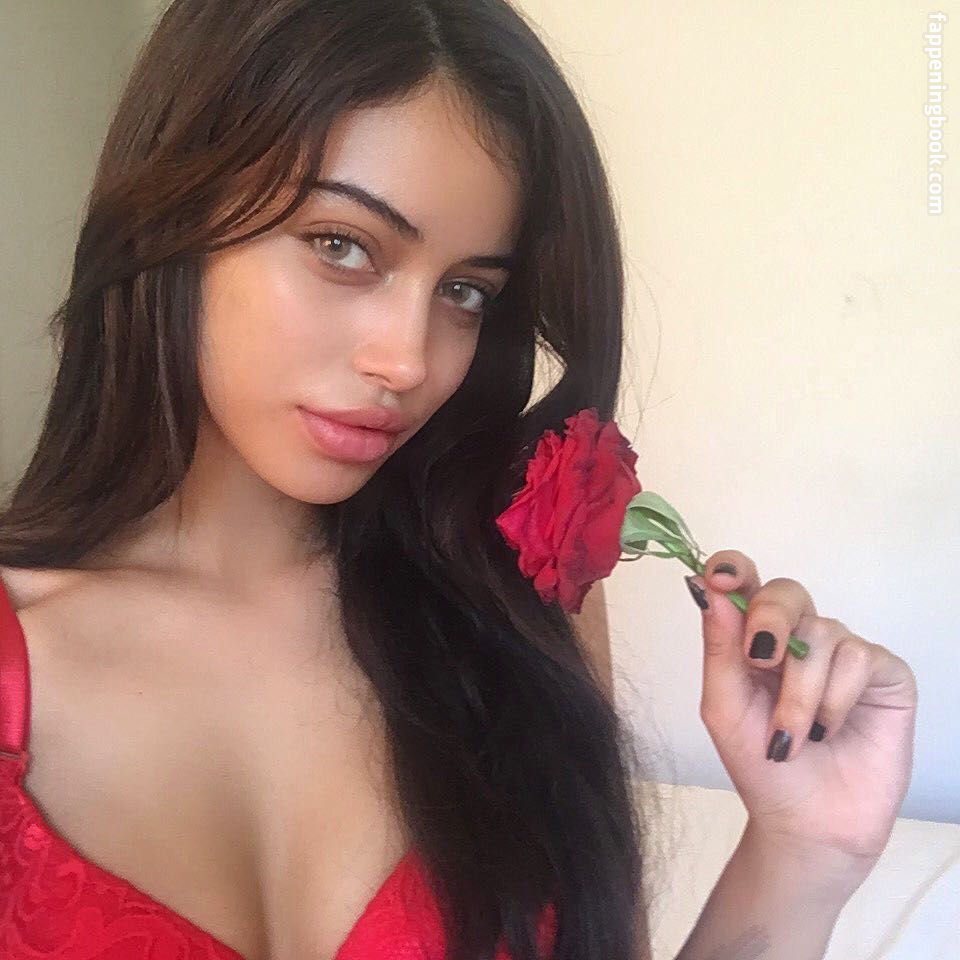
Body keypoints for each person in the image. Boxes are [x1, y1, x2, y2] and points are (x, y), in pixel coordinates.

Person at [0, 1, 917, 959]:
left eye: (466, 292)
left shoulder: (506, 611)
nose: (409, 360)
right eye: (342, 245)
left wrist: (804, 855)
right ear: (174, 213)